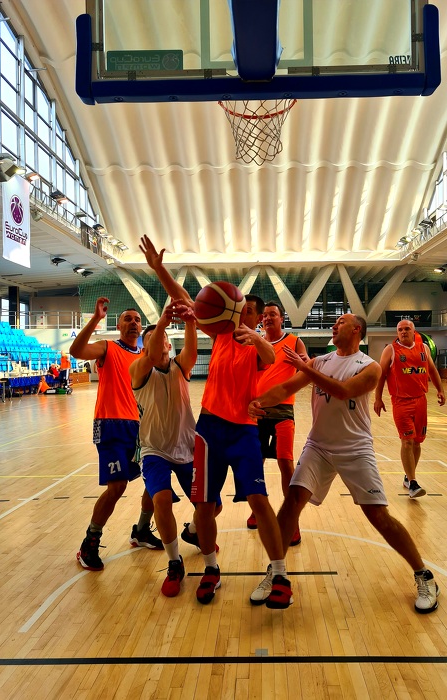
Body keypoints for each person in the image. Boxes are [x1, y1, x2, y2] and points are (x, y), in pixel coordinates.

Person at [248, 313, 440, 614]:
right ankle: (277, 573)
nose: (334, 325)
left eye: (341, 321)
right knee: (293, 500)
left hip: (355, 448)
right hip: (319, 446)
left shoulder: (370, 366)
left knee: (378, 516)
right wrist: (257, 401)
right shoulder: (320, 362)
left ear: (357, 330)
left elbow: (344, 391)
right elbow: (285, 389)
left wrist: (305, 368)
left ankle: (423, 575)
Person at [140, 234, 293, 609]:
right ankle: (211, 568)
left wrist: (255, 337)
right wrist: (160, 269)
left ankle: (279, 573)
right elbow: (184, 299)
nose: (245, 315)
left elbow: (271, 357)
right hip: (208, 432)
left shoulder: (255, 344)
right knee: (204, 507)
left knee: (258, 500)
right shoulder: (221, 334)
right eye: (243, 310)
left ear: (255, 317)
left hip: (243, 432)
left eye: (251, 312)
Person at [129, 299, 221, 597]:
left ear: (170, 344)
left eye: (163, 339)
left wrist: (191, 321)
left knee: (213, 507)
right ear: (145, 347)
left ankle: (193, 531)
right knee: (162, 500)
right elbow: (152, 352)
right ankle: (174, 563)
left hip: (187, 448)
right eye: (151, 340)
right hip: (154, 449)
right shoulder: (139, 369)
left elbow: (191, 350)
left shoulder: (181, 366)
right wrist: (163, 323)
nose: (159, 343)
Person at [70, 297, 162, 571]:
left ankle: (141, 530)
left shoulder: (145, 357)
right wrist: (96, 319)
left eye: (137, 320)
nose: (133, 322)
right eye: (127, 319)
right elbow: (76, 351)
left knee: (155, 479)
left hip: (139, 426)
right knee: (117, 486)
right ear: (119, 325)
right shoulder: (107, 347)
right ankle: (90, 541)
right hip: (110, 424)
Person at [246, 300, 307, 548]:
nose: (268, 318)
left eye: (273, 314)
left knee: (285, 464)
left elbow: (306, 367)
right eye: (265, 315)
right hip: (258, 412)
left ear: (282, 318)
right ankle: (257, 510)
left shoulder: (294, 341)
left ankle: (292, 522)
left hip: (283, 412)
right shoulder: (256, 342)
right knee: (255, 464)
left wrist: (303, 364)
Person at [374, 320, 445, 499]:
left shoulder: (424, 349)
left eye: (407, 329)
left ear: (414, 331)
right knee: (407, 441)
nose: (403, 332)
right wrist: (377, 398)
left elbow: (432, 370)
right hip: (401, 402)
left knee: (417, 442)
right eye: (400, 329)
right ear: (397, 333)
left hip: (421, 401)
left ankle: (408, 476)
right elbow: (381, 375)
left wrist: (440, 389)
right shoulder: (390, 350)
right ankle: (413, 483)